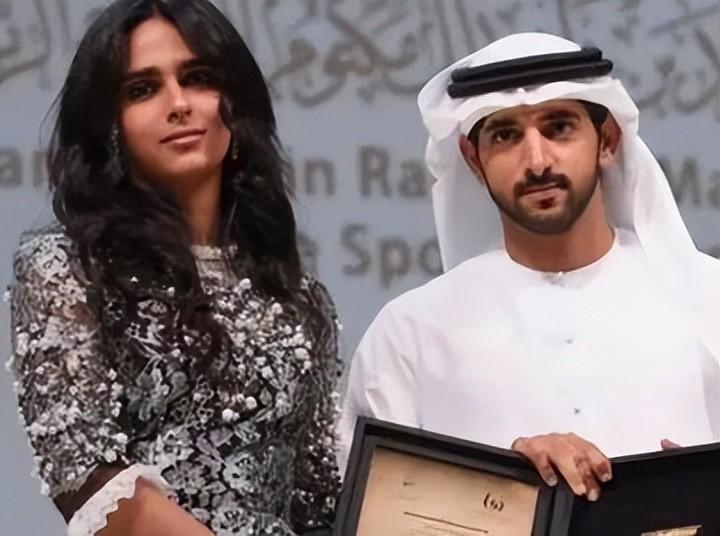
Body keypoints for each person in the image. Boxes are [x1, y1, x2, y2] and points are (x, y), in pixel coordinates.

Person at [339, 32, 719, 503]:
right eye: (506, 135)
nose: (537, 161)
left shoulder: (709, 300)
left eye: (558, 128)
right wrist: (503, 486)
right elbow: (371, 513)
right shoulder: (409, 333)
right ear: (473, 160)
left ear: (606, 140)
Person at [7, 1, 342, 534]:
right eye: (143, 89)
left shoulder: (300, 299)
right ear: (109, 124)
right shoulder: (66, 271)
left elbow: (319, 499)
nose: (179, 104)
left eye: (199, 79)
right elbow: (84, 472)